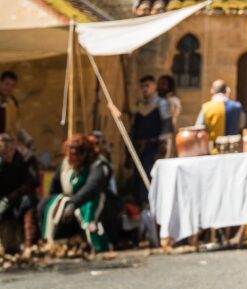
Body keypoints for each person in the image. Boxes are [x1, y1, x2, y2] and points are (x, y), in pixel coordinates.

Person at [39, 133, 121, 253]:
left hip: (96, 202)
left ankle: (98, 243)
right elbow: (54, 189)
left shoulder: (99, 165)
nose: (73, 160)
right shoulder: (65, 164)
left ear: (85, 154)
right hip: (70, 204)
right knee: (47, 204)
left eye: (77, 156)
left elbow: (92, 187)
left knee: (89, 206)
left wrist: (73, 203)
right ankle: (51, 241)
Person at [129, 74, 172, 203]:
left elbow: (166, 125)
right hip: (139, 146)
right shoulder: (139, 104)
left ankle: (149, 203)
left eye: (147, 86)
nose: (144, 89)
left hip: (153, 146)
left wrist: (163, 143)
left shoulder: (161, 103)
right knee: (137, 176)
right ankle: (138, 203)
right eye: (142, 86)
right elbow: (134, 126)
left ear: (154, 87)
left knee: (149, 174)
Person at [0, 131, 37, 253]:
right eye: (2, 154)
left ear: (13, 147)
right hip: (4, 199)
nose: (6, 156)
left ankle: (29, 243)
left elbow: (32, 182)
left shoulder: (26, 158)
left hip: (21, 196)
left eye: (7, 152)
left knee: (28, 202)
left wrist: (12, 197)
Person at [196, 79, 245, 148]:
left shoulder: (206, 108)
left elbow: (199, 128)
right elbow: (241, 124)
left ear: (212, 91)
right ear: (226, 91)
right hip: (233, 149)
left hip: (213, 150)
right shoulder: (236, 106)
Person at [156, 74, 182, 142]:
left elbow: (172, 116)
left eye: (163, 84)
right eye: (160, 84)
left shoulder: (174, 100)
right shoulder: (156, 99)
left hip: (166, 132)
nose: (161, 86)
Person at [0, 70, 19, 138]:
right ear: (0, 83)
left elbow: (13, 127)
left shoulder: (11, 103)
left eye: (12, 86)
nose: (9, 88)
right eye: (6, 84)